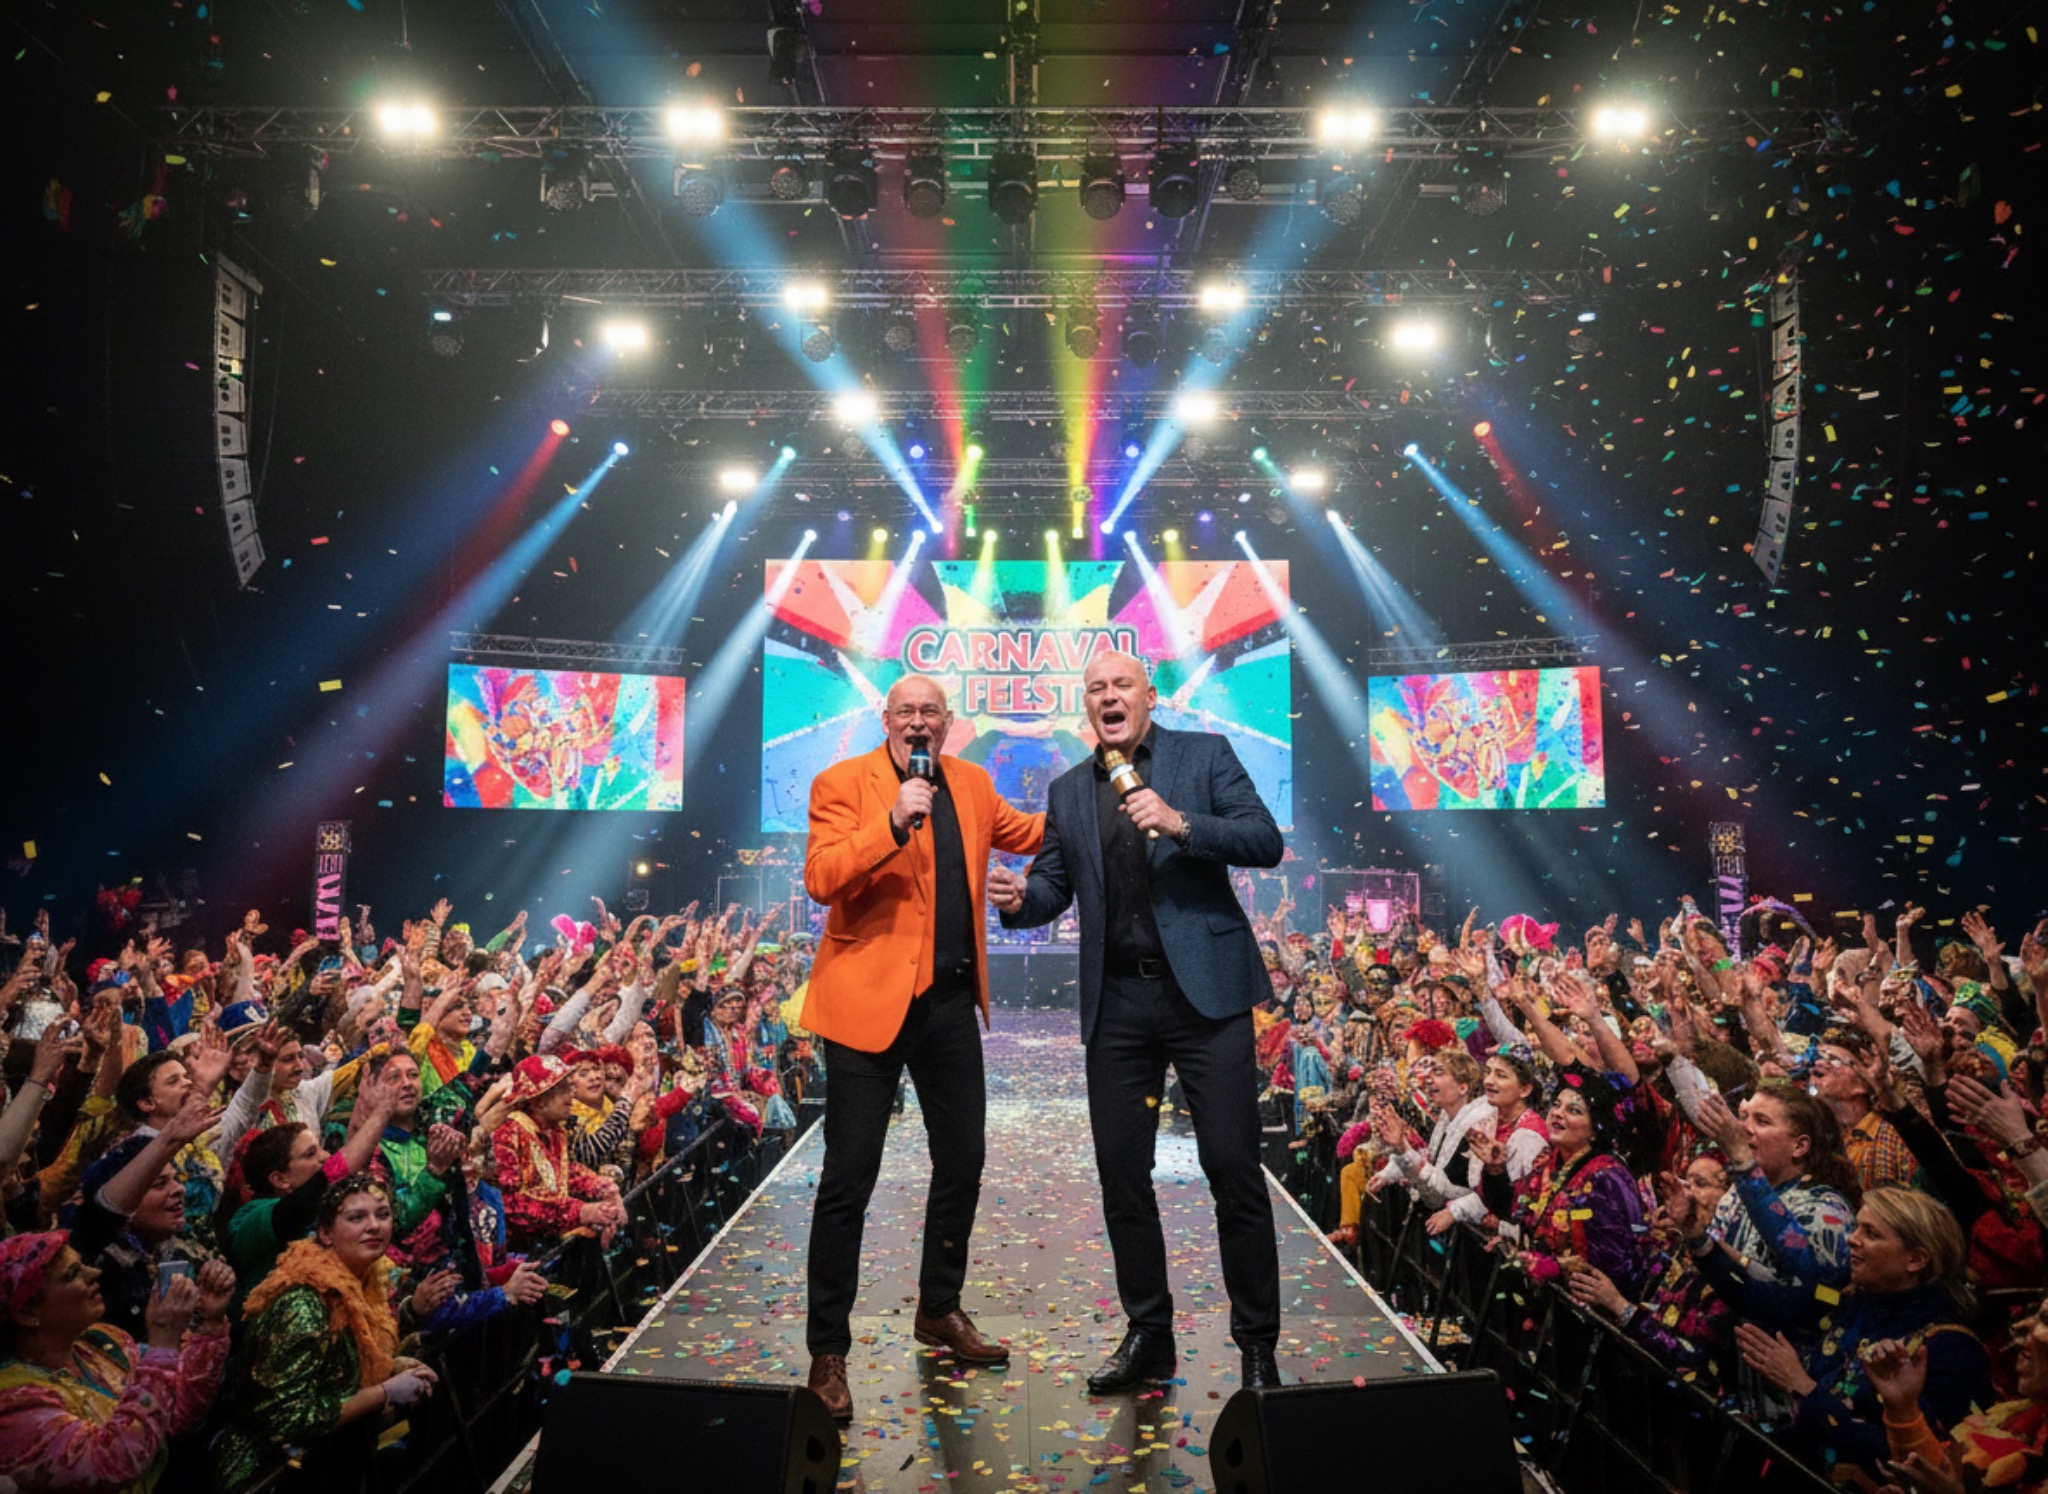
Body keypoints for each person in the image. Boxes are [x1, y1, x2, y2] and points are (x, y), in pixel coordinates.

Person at [995, 649, 1286, 1393]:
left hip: (1206, 997)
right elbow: (1052, 886)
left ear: (1149, 695)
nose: (1108, 696)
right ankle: (1149, 1336)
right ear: (1087, 706)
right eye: (1095, 688)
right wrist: (1018, 901)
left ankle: (1257, 1346)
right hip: (1119, 1002)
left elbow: (1264, 841)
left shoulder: (1204, 756)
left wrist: (1181, 822)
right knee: (1123, 1177)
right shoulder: (1068, 790)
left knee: (1232, 1168)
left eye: (1121, 684)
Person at [799, 673, 1044, 1423]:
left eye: (929, 711)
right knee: (848, 1180)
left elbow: (1035, 832)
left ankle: (939, 1307)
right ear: (886, 719)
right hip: (863, 1009)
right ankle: (828, 1351)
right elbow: (822, 878)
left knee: (963, 1160)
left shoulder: (972, 783)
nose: (917, 721)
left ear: (947, 722)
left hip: (946, 1006)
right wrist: (892, 821)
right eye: (905, 710)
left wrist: (1105, 781)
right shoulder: (843, 783)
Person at [213, 1175, 441, 1494]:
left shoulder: (367, 1281)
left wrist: (390, 1367)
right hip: (271, 1478)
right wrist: (384, 1393)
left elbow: (334, 1373)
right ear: (325, 1233)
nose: (374, 1226)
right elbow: (288, 1419)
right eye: (356, 1217)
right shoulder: (304, 1303)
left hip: (330, 1468)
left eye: (383, 1214)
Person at [0, 1233, 233, 1493]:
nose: (95, 1272)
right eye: (72, 1274)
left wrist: (209, 1323)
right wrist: (163, 1343)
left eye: (83, 1264)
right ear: (26, 1312)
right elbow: (111, 1465)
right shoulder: (12, 1403)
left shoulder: (101, 1343)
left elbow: (179, 1413)